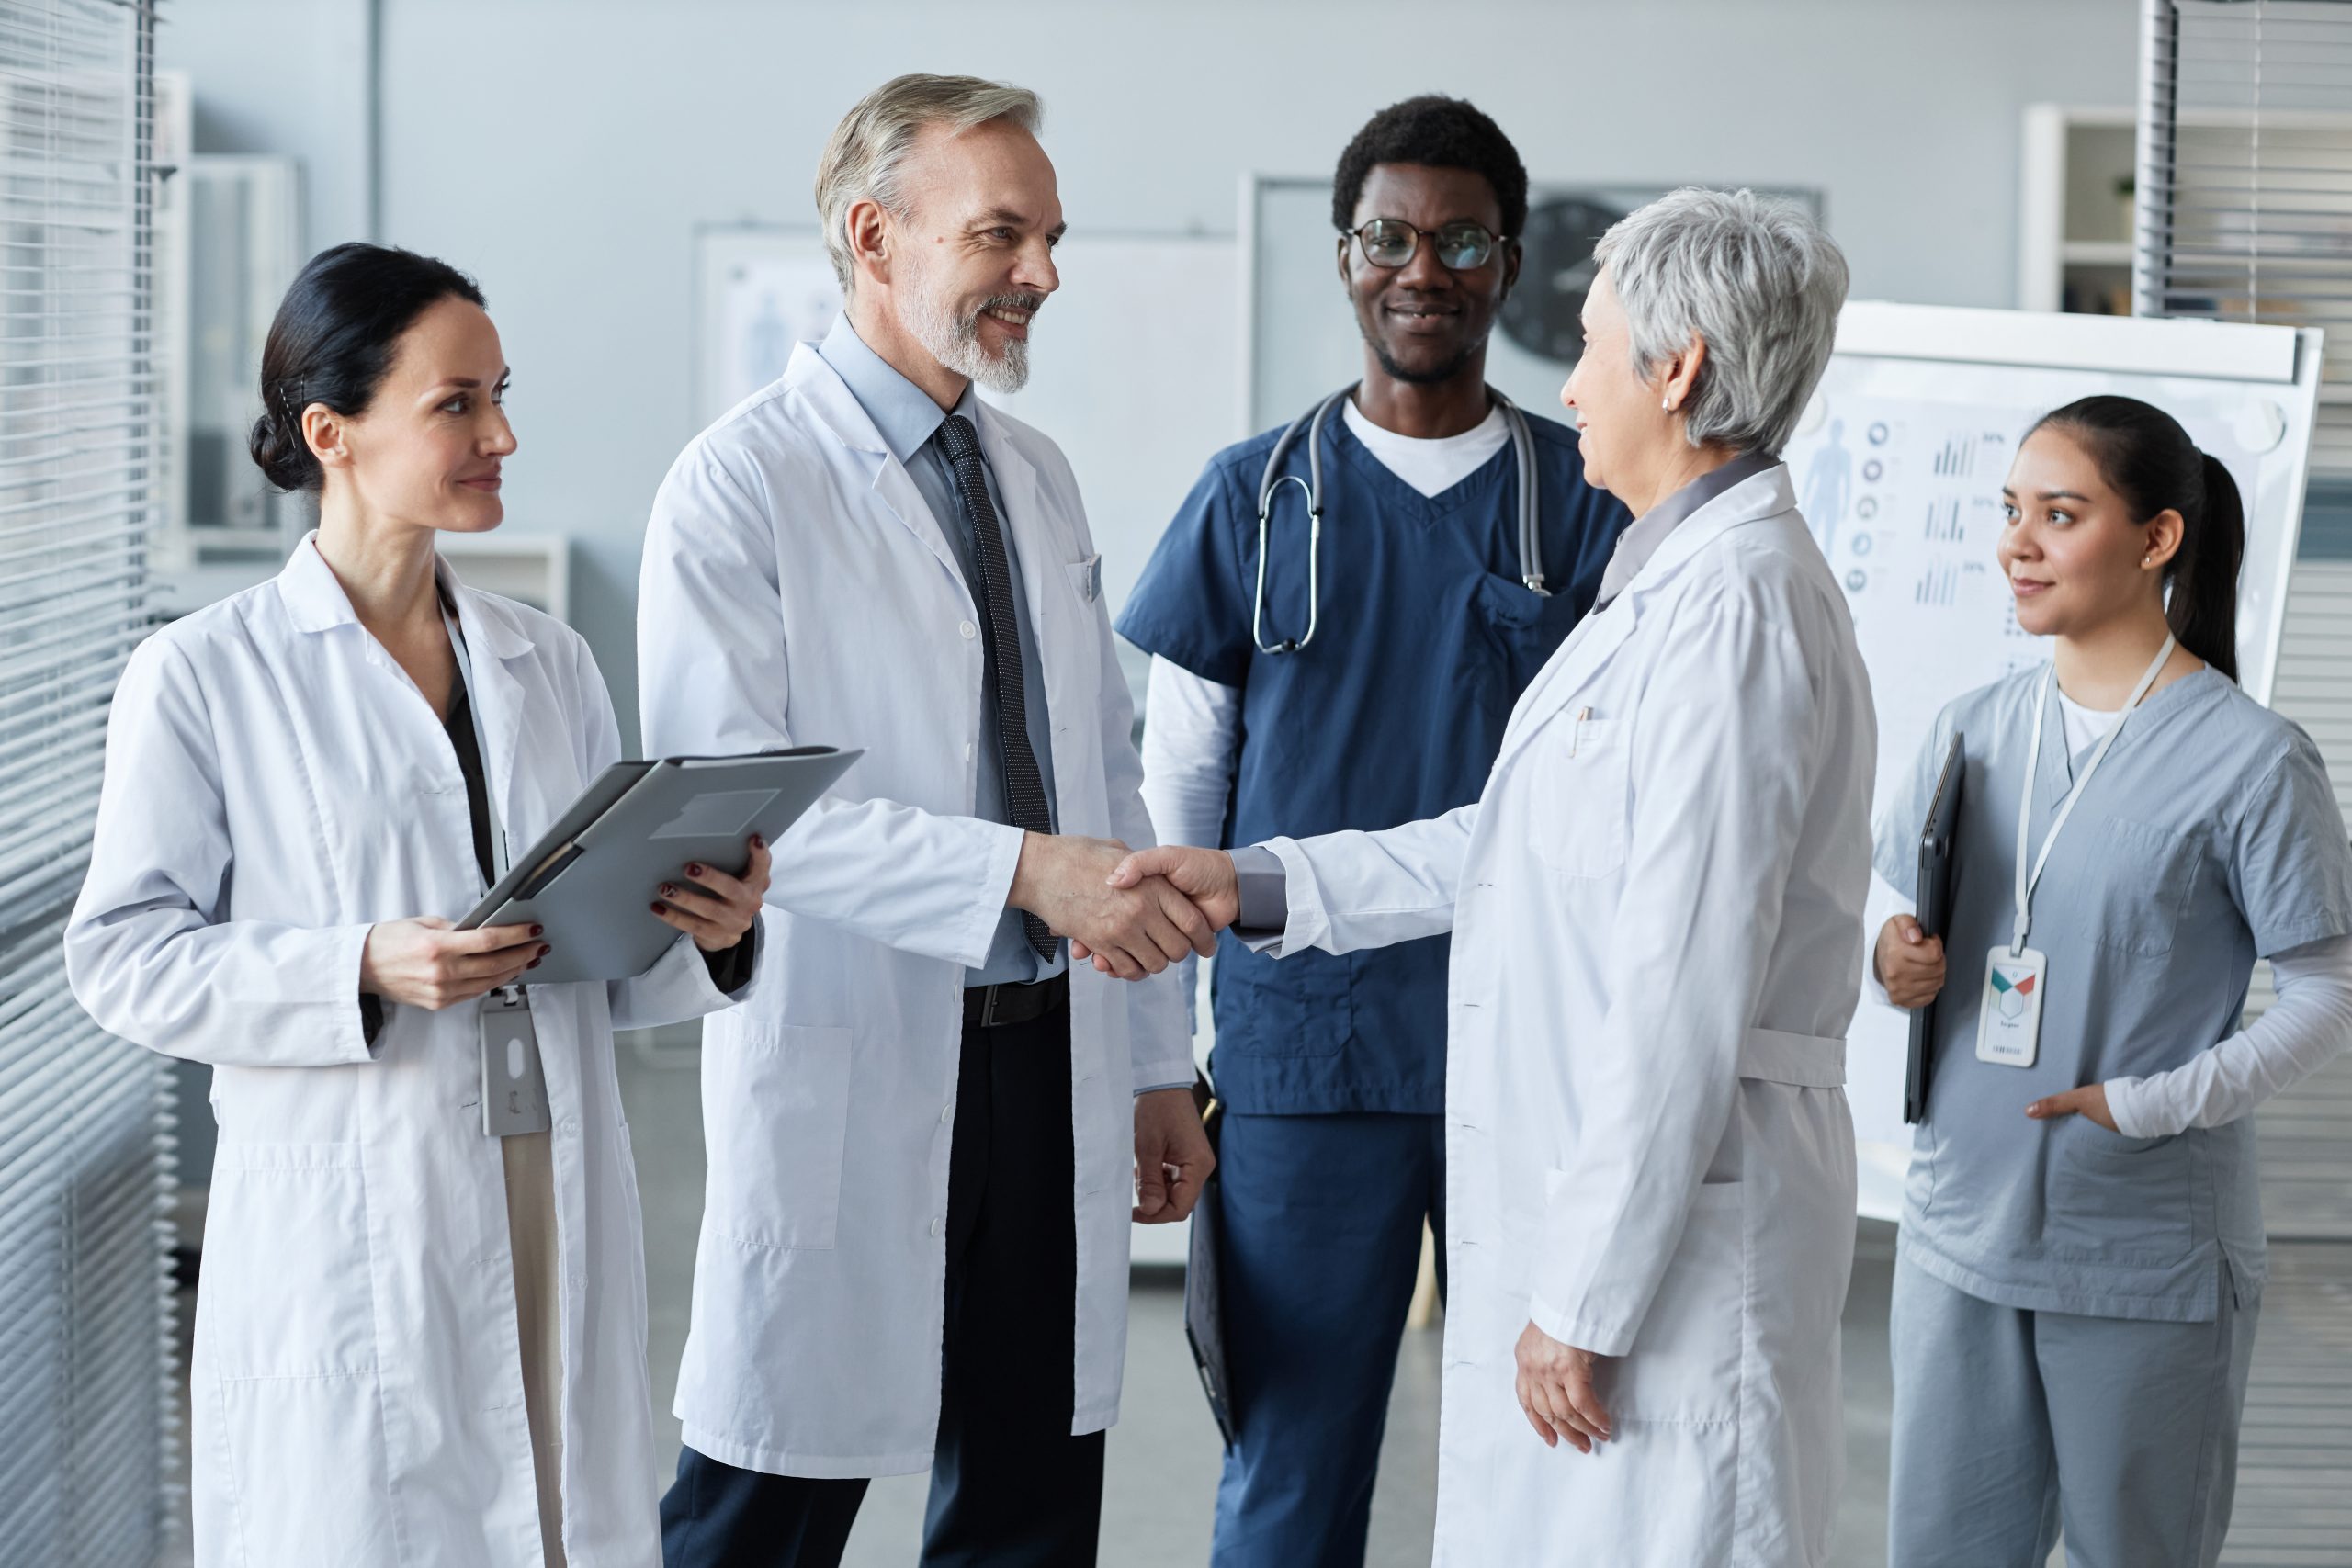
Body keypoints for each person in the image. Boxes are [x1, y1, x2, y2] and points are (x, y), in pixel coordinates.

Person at [1091, 188, 1869, 1566]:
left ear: (1675, 368)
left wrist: (1585, 1295)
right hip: (1568, 1168)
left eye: (1586, 339)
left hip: (1679, 1236)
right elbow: (1503, 841)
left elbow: (1682, 986)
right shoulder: (1667, 588)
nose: (1563, 380)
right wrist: (1255, 878)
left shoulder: (1733, 611)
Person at [63, 243, 766, 1568]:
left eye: (501, 395)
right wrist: (360, 965)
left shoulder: (546, 660)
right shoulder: (204, 675)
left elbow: (603, 966)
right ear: (331, 432)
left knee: (558, 1514)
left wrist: (708, 929)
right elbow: (123, 959)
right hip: (356, 1198)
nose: (501, 432)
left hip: (547, 1166)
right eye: (458, 403)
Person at [637, 74, 1214, 1568]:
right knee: (758, 1513)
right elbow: (729, 807)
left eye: (1052, 237)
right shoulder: (741, 486)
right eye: (1005, 234)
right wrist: (1026, 871)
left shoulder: (1037, 478)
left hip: (1052, 1064)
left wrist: (1157, 1063)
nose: (1045, 274)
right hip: (860, 1046)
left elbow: (1102, 769)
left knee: (1027, 1504)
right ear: (875, 235)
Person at [1114, 94, 1625, 1567]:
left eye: (1460, 239)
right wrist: (1163, 1061)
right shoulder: (1253, 499)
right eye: (1388, 236)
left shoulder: (1584, 505)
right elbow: (1176, 819)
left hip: (1531, 1057)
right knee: (1291, 1464)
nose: (1423, 269)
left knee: (1553, 1453)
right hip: (1302, 1065)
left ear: (1510, 263)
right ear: (1347, 256)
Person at [1869, 396, 2352, 1568]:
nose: (2015, 544)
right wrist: (1895, 961)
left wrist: (2150, 1104)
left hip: (2138, 1251)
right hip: (1959, 1228)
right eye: (2010, 512)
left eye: (2059, 514)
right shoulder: (1970, 730)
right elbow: (1897, 921)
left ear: (2155, 541)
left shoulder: (2249, 758)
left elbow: (2326, 990)